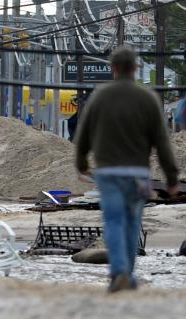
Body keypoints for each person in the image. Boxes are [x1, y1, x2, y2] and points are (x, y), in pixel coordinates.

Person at [75, 45, 179, 293]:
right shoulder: (148, 99)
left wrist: (81, 164)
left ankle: (119, 273)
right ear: (135, 69)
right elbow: (162, 142)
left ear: (112, 69)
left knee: (114, 221)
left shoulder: (100, 96)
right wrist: (172, 178)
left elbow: (83, 135)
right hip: (138, 175)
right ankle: (126, 274)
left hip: (108, 173)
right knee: (133, 222)